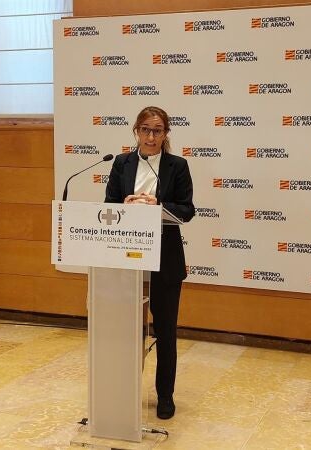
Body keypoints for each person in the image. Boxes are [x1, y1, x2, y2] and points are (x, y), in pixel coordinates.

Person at [104, 106, 195, 420]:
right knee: (124, 331)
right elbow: (108, 205)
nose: (151, 136)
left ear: (166, 133)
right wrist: (125, 203)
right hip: (127, 258)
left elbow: (187, 209)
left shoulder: (177, 166)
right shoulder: (121, 163)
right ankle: (122, 392)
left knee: (165, 331)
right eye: (145, 130)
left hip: (165, 259)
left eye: (157, 130)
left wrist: (159, 204)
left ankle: (165, 396)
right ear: (136, 131)